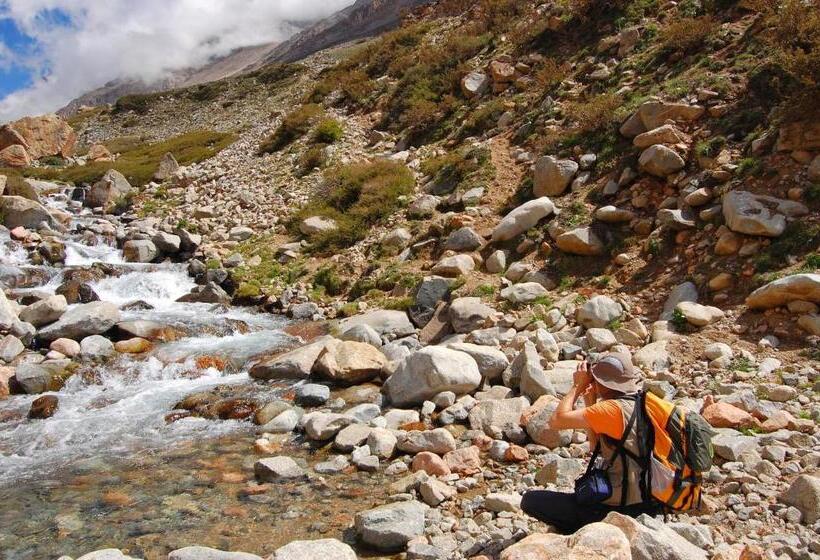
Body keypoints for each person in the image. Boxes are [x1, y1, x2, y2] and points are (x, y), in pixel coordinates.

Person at [520, 352, 662, 534]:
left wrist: (577, 386)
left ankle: (583, 532)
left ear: (602, 382)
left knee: (530, 500)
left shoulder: (611, 409)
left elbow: (557, 420)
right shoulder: (641, 404)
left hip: (618, 508)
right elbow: (598, 449)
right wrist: (590, 401)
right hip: (648, 502)